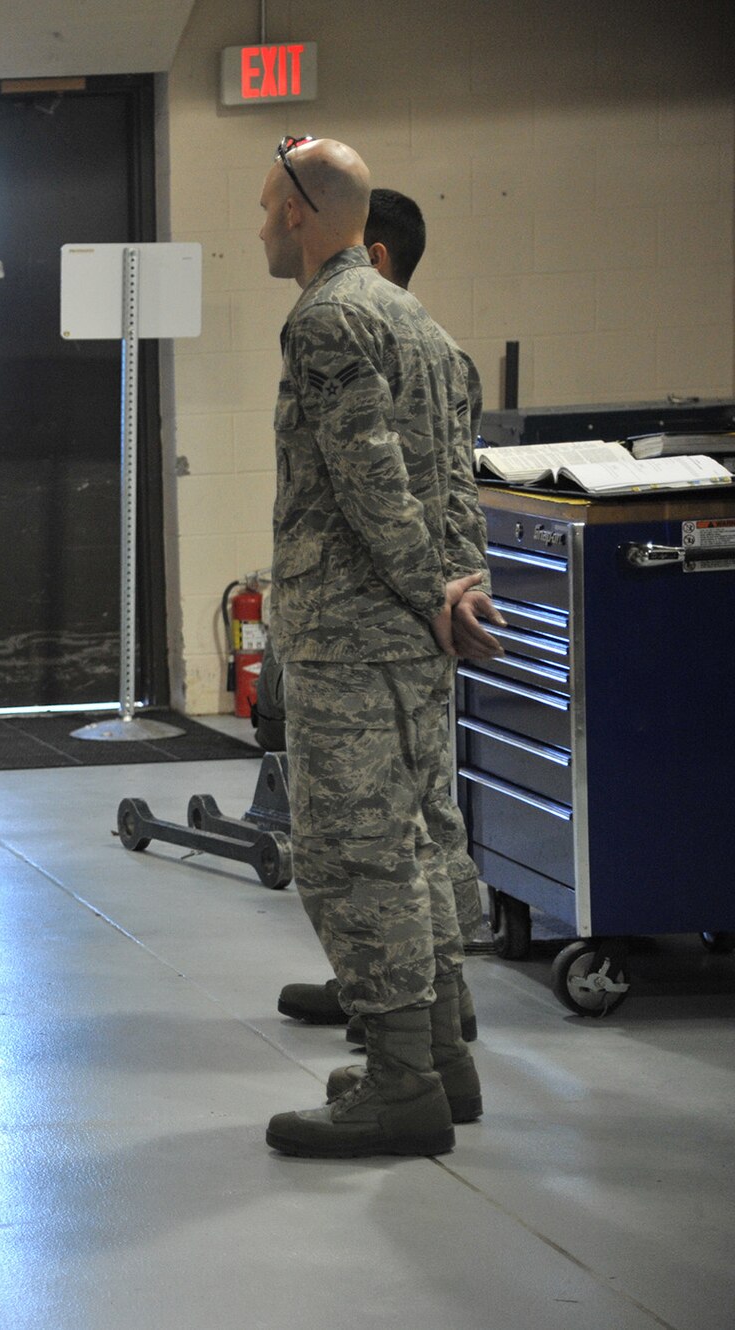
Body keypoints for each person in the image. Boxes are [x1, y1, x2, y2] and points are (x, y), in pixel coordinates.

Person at [254, 140, 501, 1158]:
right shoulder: (419, 323)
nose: (260, 227)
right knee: (415, 840)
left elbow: (369, 484)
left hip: (352, 634)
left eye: (268, 209)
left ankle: (400, 1084)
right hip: (409, 638)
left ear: (304, 216)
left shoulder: (324, 320)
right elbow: (451, 484)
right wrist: (457, 585)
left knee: (354, 856)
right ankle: (441, 1061)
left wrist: (427, 585)